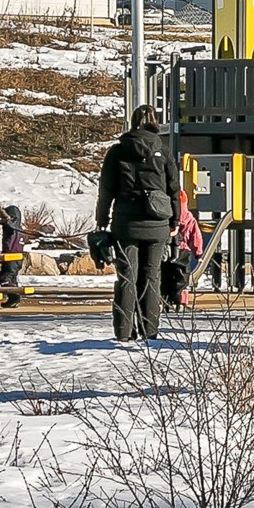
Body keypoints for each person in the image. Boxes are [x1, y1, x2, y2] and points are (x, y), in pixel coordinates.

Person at [93, 106, 179, 346]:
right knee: (152, 276)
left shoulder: (117, 152)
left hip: (125, 223)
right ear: (155, 123)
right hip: (158, 222)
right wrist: (176, 221)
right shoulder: (163, 151)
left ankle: (123, 331)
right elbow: (174, 189)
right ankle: (150, 330)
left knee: (126, 277)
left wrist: (102, 220)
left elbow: (106, 190)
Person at [0, 204, 26, 305]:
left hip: (11, 257)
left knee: (5, 278)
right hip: (17, 258)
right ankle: (13, 300)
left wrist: (4, 216)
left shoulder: (12, 227)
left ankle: (15, 296)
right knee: (12, 278)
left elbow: (9, 223)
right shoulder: (19, 228)